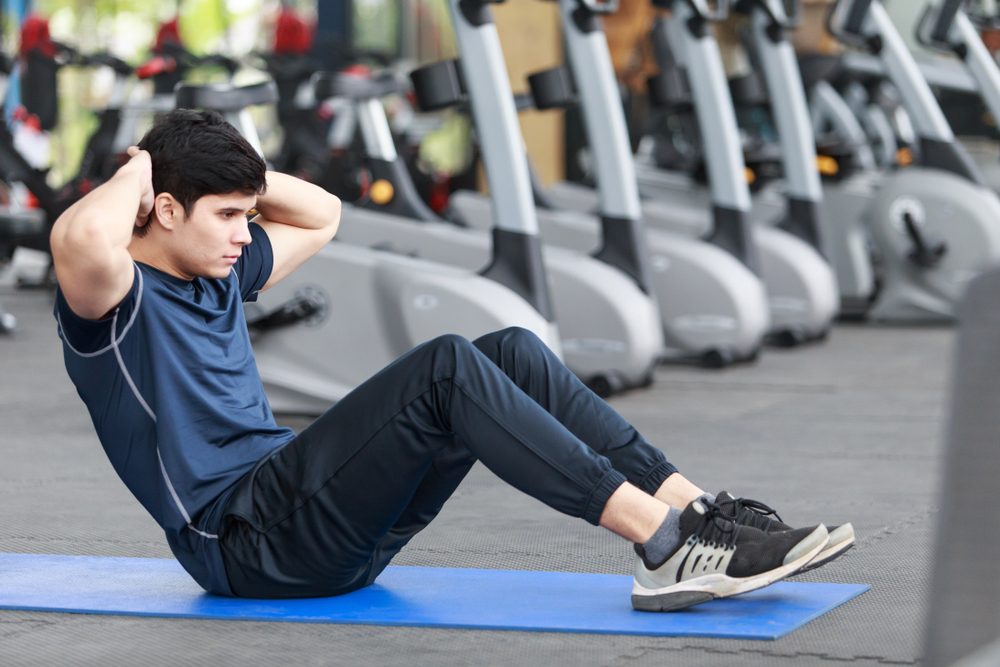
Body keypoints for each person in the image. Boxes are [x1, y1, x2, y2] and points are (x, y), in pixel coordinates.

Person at [50, 109, 854, 613]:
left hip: (306, 516)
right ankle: (664, 543)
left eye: (247, 217)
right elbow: (83, 237)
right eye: (227, 215)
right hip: (243, 541)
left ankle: (698, 510)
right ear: (160, 208)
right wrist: (142, 166)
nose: (243, 234)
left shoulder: (220, 267)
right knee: (443, 367)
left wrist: (219, 174)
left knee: (506, 351)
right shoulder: (112, 299)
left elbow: (324, 213)